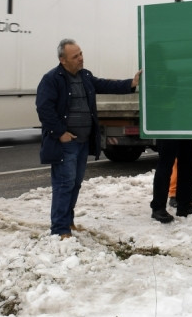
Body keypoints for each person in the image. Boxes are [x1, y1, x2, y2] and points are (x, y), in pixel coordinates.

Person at [37, 38, 140, 238]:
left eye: (81, 54)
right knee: (64, 184)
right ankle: (59, 228)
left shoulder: (85, 76)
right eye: (75, 56)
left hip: (82, 142)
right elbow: (44, 109)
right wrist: (60, 133)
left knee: (75, 184)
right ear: (63, 60)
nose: (80, 58)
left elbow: (105, 85)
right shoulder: (52, 79)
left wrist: (131, 83)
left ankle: (68, 221)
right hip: (66, 144)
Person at [151, 139, 192, 222]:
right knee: (165, 164)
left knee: (188, 163)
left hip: (184, 132)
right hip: (167, 132)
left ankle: (184, 206)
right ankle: (158, 208)